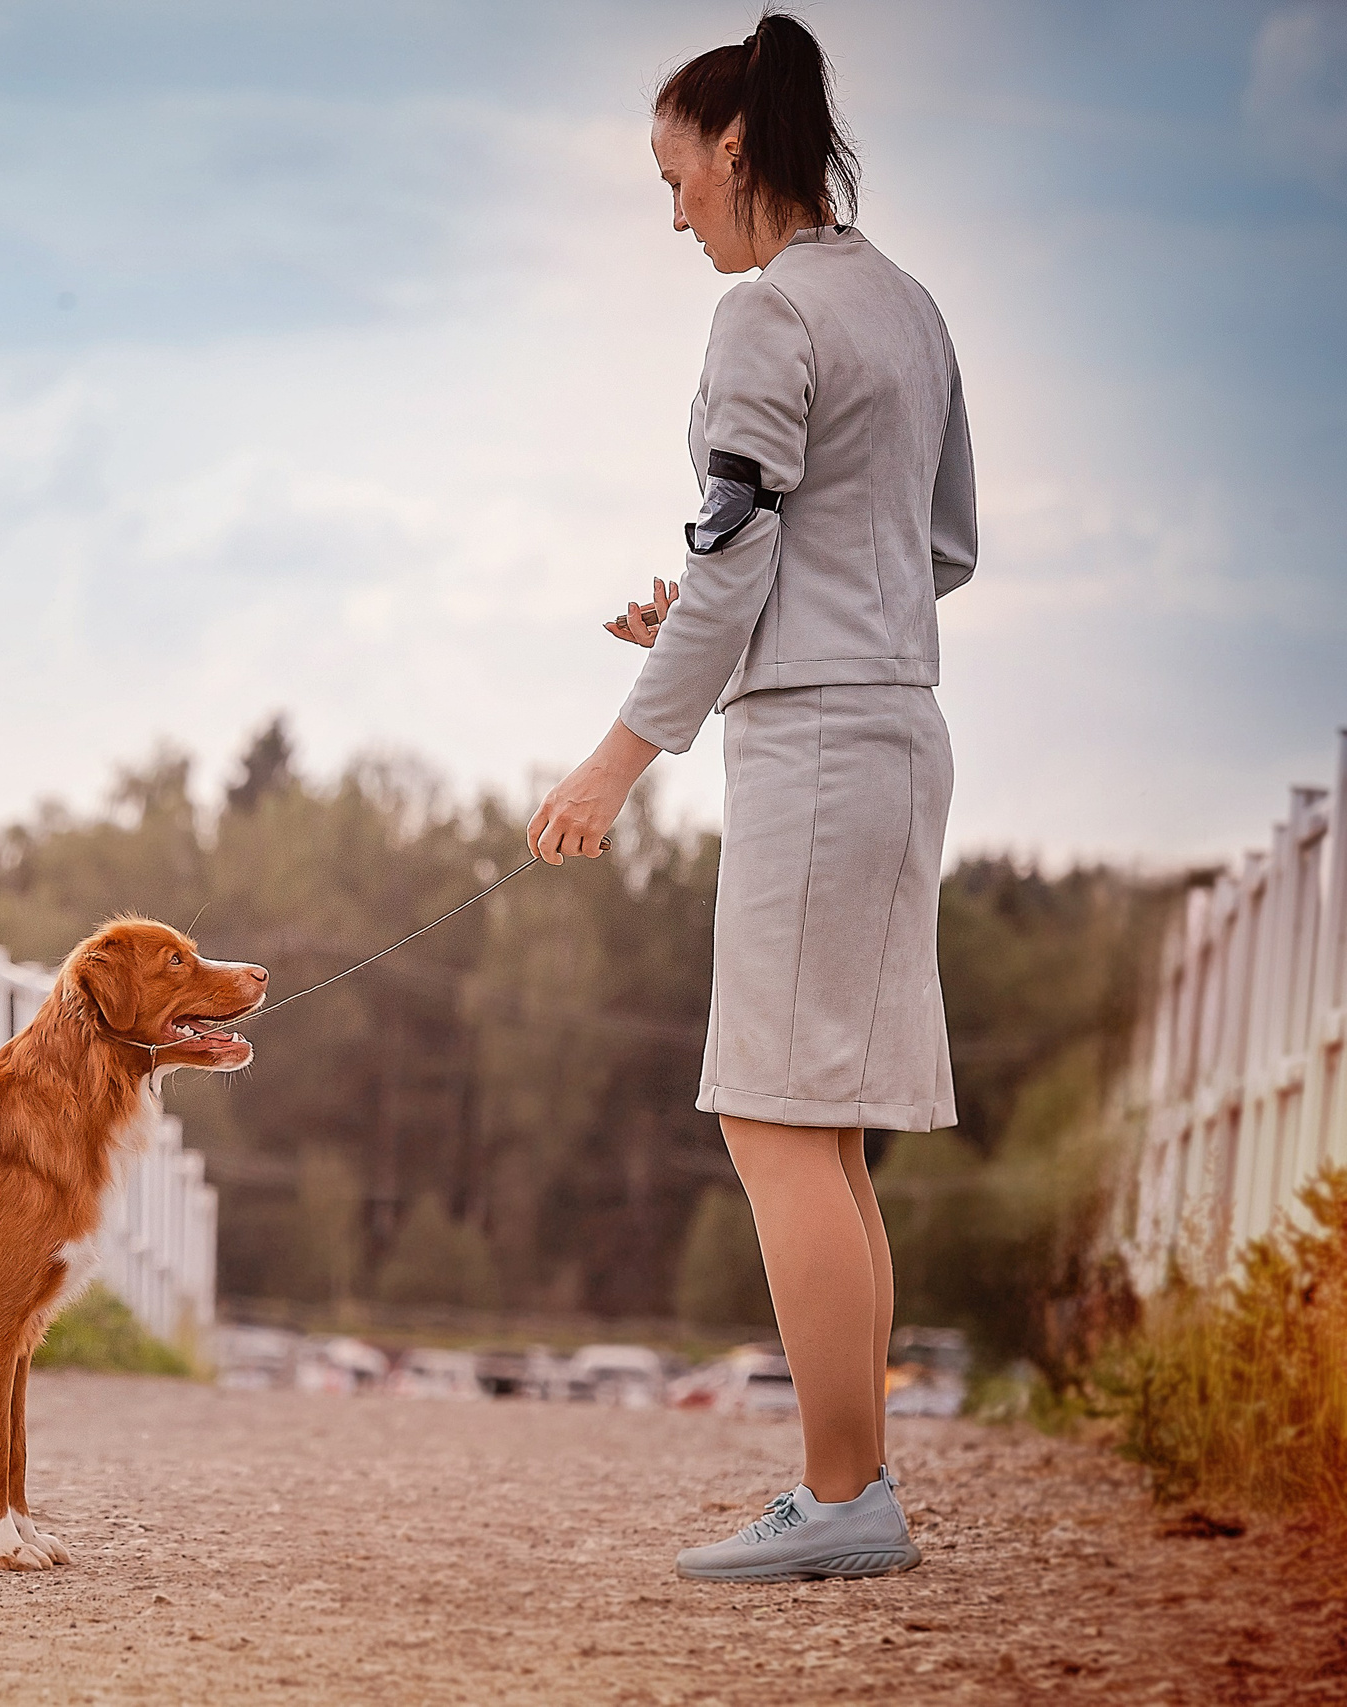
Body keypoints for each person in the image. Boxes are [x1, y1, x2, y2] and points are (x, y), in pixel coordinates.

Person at [524, 9, 975, 1581]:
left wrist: (614, 756)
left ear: (733, 148)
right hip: (901, 732)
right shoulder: (907, 307)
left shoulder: (767, 318)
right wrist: (735, 608)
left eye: (671, 174)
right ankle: (853, 1488)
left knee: (776, 1129)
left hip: (817, 755)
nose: (669, 212)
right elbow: (935, 550)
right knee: (825, 1139)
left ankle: (843, 1499)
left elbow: (740, 556)